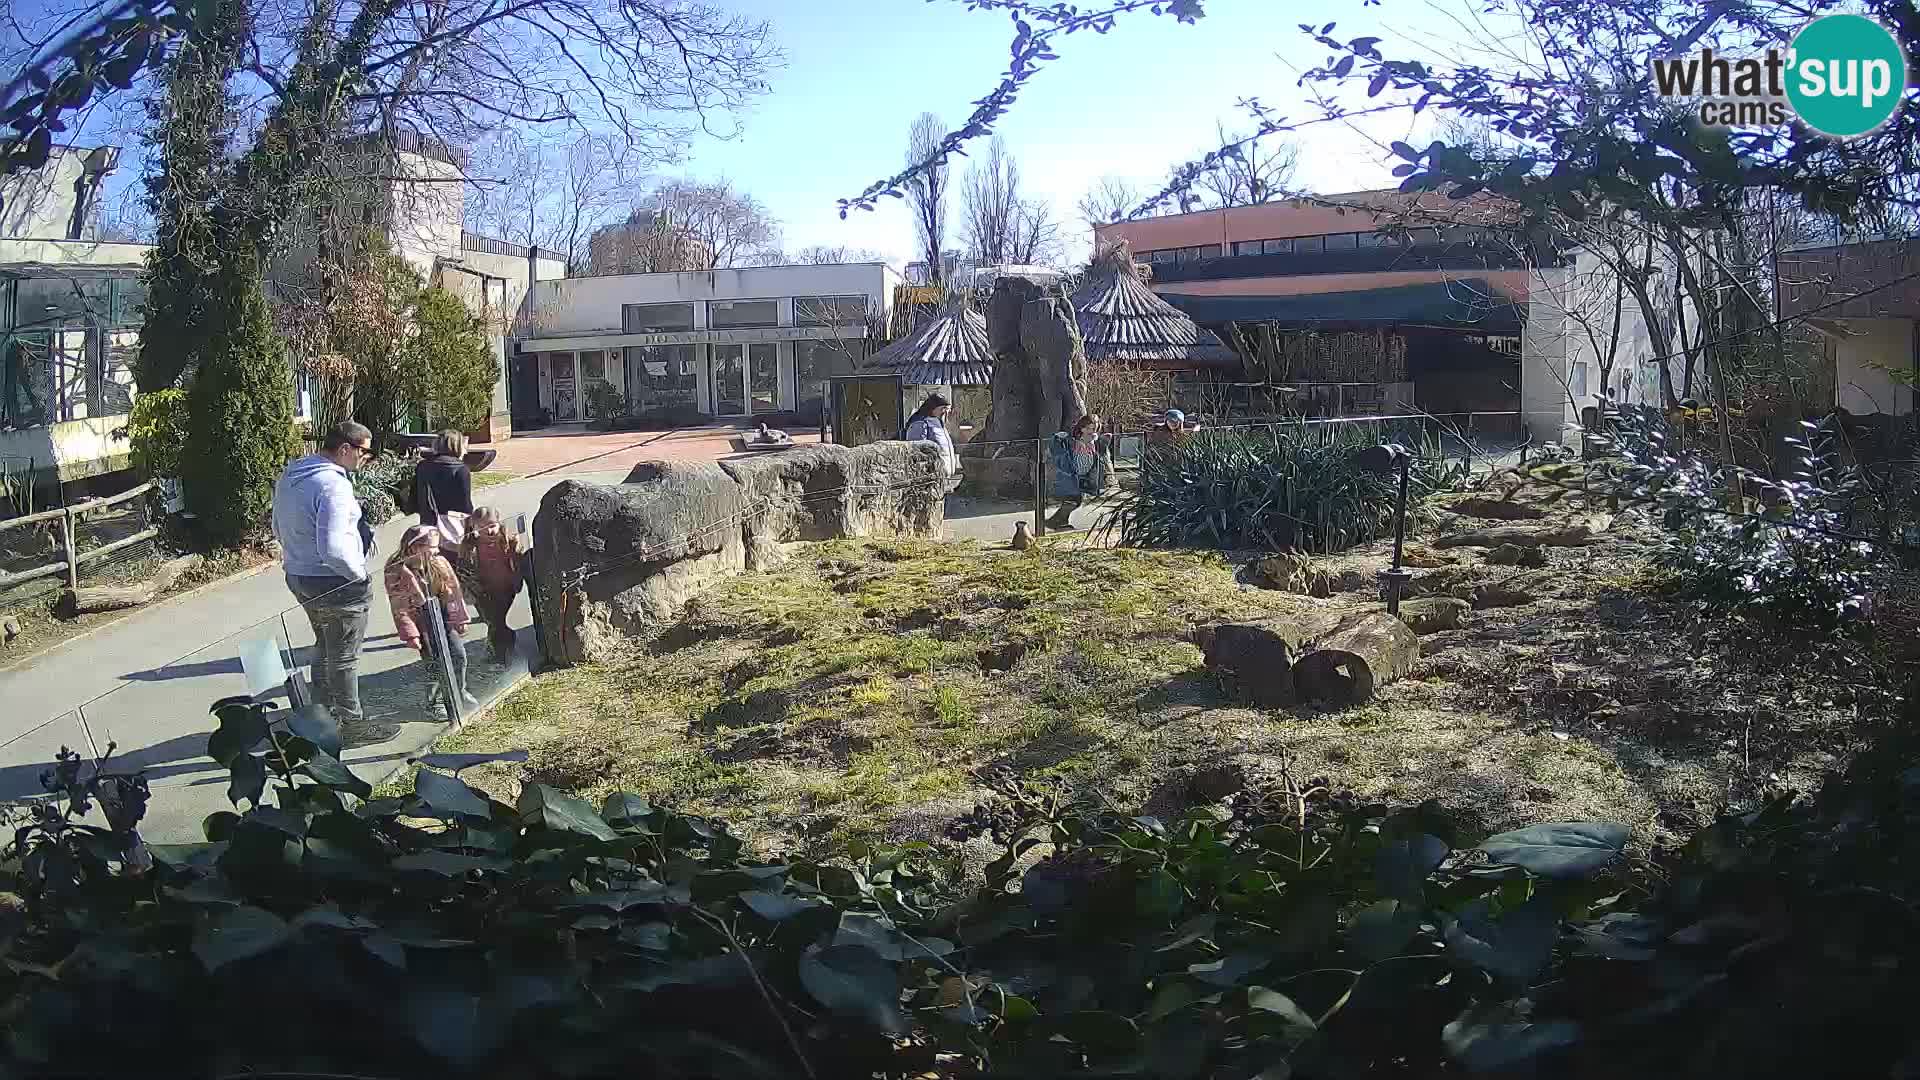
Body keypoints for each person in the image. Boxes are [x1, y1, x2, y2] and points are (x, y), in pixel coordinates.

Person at [273, 420, 376, 727]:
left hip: (298, 575)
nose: (366, 458)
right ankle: (351, 723)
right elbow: (332, 547)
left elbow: (277, 527)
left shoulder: (292, 475)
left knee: (323, 644)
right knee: (343, 656)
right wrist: (359, 575)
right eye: (363, 451)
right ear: (345, 449)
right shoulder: (334, 485)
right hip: (335, 581)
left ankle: (321, 714)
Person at [386, 524, 478, 710]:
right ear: (414, 548)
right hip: (421, 622)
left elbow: (453, 592)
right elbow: (399, 606)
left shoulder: (439, 563)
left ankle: (458, 691)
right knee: (433, 664)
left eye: (437, 547)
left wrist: (459, 618)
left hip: (442, 617)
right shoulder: (396, 572)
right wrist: (411, 634)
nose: (436, 551)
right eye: (431, 548)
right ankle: (435, 701)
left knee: (458, 655)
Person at [462, 506, 525, 661]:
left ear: (499, 523)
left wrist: (516, 550)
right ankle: (502, 645)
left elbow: (518, 559)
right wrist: (471, 590)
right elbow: (464, 571)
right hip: (483, 592)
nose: (488, 531)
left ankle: (500, 654)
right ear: (474, 527)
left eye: (492, 526)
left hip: (505, 588)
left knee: (496, 621)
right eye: (482, 527)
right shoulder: (470, 546)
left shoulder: (507, 540)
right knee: (493, 621)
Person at [1049, 413, 1105, 529]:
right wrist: (1059, 438)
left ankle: (1057, 521)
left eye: (1093, 428)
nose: (1090, 431)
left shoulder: (1095, 442)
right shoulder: (1072, 441)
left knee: (1075, 500)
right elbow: (1057, 448)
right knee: (1073, 500)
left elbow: (1100, 454)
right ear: (1082, 428)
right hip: (1071, 475)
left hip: (1085, 475)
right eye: (1088, 428)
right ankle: (1057, 522)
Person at [414, 429, 473, 530]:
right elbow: (465, 504)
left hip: (428, 522)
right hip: (454, 525)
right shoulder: (461, 469)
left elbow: (416, 496)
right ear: (458, 446)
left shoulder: (422, 466)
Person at [903, 393, 962, 490]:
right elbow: (917, 450)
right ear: (932, 408)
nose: (945, 412)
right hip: (931, 478)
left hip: (944, 478)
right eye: (942, 408)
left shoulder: (938, 422)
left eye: (947, 408)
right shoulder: (920, 422)